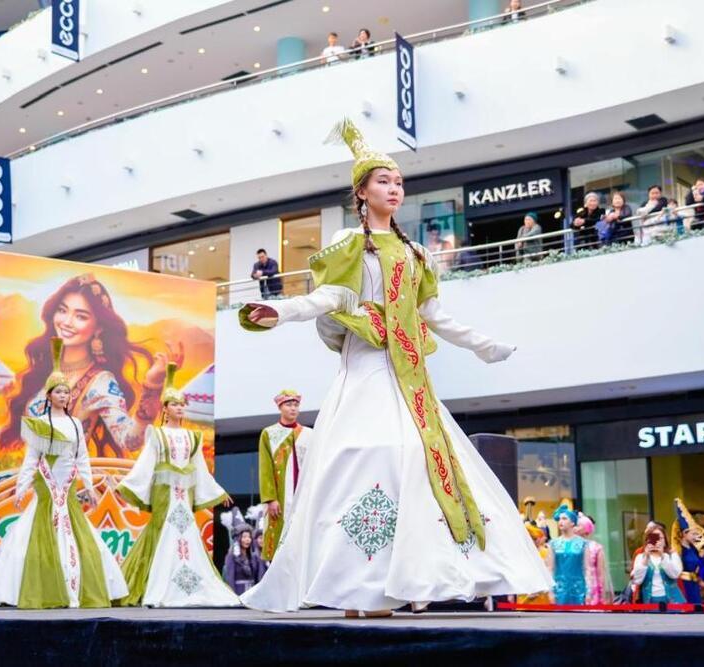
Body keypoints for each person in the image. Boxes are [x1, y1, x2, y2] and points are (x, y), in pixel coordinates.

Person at [238, 118, 552, 615]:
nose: (395, 188)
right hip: (365, 371)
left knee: (416, 458)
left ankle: (395, 582)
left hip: (410, 381)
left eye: (399, 182)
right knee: (361, 458)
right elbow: (328, 297)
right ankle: (352, 584)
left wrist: (483, 345)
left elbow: (434, 315)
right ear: (361, 193)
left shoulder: (415, 252)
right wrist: (280, 311)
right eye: (383, 181)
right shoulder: (350, 245)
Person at [0, 338, 128, 608]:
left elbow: (81, 458)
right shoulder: (40, 424)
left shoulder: (75, 424)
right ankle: (42, 588)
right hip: (46, 486)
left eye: (67, 392)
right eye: (59, 392)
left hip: (69, 486)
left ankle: (77, 587)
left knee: (78, 534)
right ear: (49, 395)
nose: (64, 396)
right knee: (40, 531)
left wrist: (88, 485)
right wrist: (21, 488)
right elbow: (31, 459)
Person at [0, 273, 176, 458]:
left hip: (66, 481)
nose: (66, 322)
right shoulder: (46, 370)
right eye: (62, 310)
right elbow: (10, 434)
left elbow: (130, 440)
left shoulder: (100, 382)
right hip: (29, 477)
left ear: (98, 327)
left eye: (81, 316)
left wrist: (153, 385)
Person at [116, 362, 239, 607]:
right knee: (163, 534)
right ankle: (157, 585)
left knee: (186, 534)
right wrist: (128, 486)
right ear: (165, 408)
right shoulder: (157, 434)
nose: (180, 408)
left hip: (185, 494)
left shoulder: (192, 437)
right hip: (165, 494)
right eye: (175, 404)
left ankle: (190, 586)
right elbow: (146, 464)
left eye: (183, 404)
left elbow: (201, 470)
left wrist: (218, 492)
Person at [257, 389, 313, 562]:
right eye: (289, 404)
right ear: (280, 407)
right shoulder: (269, 434)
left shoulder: (309, 434)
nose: (293, 408)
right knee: (280, 534)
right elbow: (265, 468)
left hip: (304, 494)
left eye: (296, 405)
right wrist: (270, 499)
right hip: (280, 497)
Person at [631, 524, 685, 604]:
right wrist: (645, 558)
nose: (657, 541)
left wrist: (662, 555)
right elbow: (637, 580)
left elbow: (675, 574)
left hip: (673, 601)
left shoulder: (672, 555)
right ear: (647, 540)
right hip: (650, 601)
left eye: (660, 538)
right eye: (653, 538)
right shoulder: (641, 557)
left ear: (665, 540)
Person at [670, 498, 704, 604]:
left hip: (694, 584)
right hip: (683, 584)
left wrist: (703, 555)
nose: (695, 536)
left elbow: (698, 566)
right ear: (685, 533)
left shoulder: (694, 549)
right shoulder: (678, 550)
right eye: (693, 534)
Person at [550, 505, 588, 605]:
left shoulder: (583, 543)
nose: (560, 521)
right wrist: (550, 591)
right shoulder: (553, 543)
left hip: (578, 588)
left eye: (564, 519)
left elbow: (587, 568)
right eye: (559, 519)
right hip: (559, 588)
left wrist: (589, 591)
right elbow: (550, 568)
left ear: (572, 523)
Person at [576, 512, 613, 605]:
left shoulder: (596, 547)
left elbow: (601, 572)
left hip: (592, 588)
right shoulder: (569, 547)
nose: (575, 528)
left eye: (578, 525)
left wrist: (603, 592)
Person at [517, 522, 553, 605]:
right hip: (525, 593)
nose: (537, 540)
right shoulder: (521, 555)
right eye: (533, 539)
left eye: (536, 538)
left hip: (542, 594)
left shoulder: (546, 552)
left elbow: (549, 571)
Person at [225, 524, 267, 595]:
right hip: (239, 593)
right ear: (238, 538)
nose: (247, 539)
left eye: (249, 537)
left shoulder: (254, 557)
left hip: (251, 595)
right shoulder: (232, 556)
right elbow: (230, 579)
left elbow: (259, 578)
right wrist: (233, 596)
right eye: (244, 537)